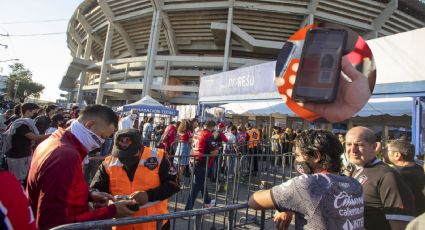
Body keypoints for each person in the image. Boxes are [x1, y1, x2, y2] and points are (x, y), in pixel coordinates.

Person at [27, 105, 137, 230]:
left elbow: (62, 191)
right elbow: (54, 223)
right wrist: (111, 211)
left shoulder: (54, 141)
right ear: (89, 125)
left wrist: (89, 194)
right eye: (103, 136)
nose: (100, 143)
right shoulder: (66, 156)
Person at [248, 130, 364, 230]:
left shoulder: (309, 183)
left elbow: (254, 200)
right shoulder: (354, 183)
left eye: (298, 155)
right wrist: (289, 204)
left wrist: (285, 204)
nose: (296, 160)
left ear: (316, 156)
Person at [90, 129, 180, 230]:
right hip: (121, 226)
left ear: (141, 148)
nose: (124, 159)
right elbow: (95, 190)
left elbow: (174, 183)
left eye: (130, 154)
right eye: (120, 154)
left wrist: (148, 195)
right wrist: (108, 203)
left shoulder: (158, 157)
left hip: (154, 224)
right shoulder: (108, 163)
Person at [345, 126, 416, 230]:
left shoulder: (387, 175)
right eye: (348, 144)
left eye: (359, 145)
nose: (352, 150)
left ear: (374, 147)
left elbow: (400, 224)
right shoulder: (359, 169)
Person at [5, 103, 50, 186]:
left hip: (20, 155)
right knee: (17, 181)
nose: (35, 114)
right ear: (28, 111)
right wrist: (53, 135)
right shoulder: (21, 124)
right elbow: (35, 138)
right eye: (34, 112)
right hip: (18, 156)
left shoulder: (23, 123)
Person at [383, 139, 425, 216]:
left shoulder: (397, 174)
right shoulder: (419, 168)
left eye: (386, 150)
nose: (383, 153)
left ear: (397, 155)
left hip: (404, 217)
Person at [185, 120, 218, 210]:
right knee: (196, 187)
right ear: (212, 127)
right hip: (201, 163)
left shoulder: (197, 132)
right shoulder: (208, 135)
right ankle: (187, 210)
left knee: (201, 183)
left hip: (193, 160)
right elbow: (214, 151)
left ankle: (207, 202)